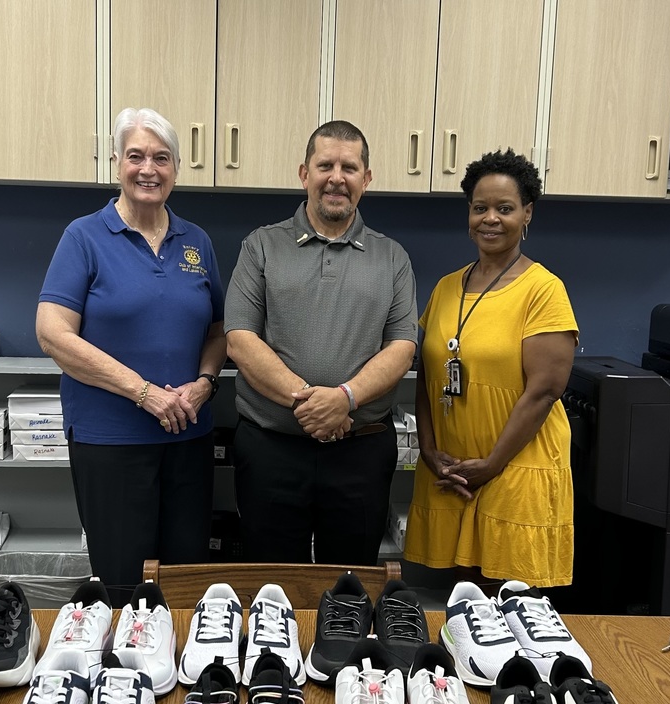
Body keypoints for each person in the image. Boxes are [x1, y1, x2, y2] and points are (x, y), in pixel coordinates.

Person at [36, 108, 225, 603]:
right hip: (110, 442)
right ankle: (124, 678)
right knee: (123, 584)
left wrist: (205, 383)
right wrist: (143, 393)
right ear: (116, 163)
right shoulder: (84, 237)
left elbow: (219, 329)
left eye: (161, 158)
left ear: (177, 169)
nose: (148, 169)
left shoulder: (197, 241)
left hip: (188, 435)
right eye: (136, 156)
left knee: (186, 582)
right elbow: (53, 334)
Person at [224, 120, 417, 566]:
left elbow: (402, 347)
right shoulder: (261, 246)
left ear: (366, 179)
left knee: (350, 584)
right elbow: (239, 338)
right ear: (303, 173)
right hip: (272, 448)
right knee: (272, 584)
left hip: (361, 452)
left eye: (349, 167)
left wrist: (345, 399)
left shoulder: (393, 258)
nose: (336, 177)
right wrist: (315, 405)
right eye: (324, 164)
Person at [403, 148, 578, 590]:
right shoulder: (446, 287)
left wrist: (492, 464)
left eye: (505, 208)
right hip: (457, 467)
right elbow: (427, 373)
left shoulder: (544, 290)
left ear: (527, 213)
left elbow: (544, 391)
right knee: (465, 602)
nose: (490, 219)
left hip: (515, 465)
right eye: (480, 208)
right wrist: (427, 450)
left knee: (513, 604)